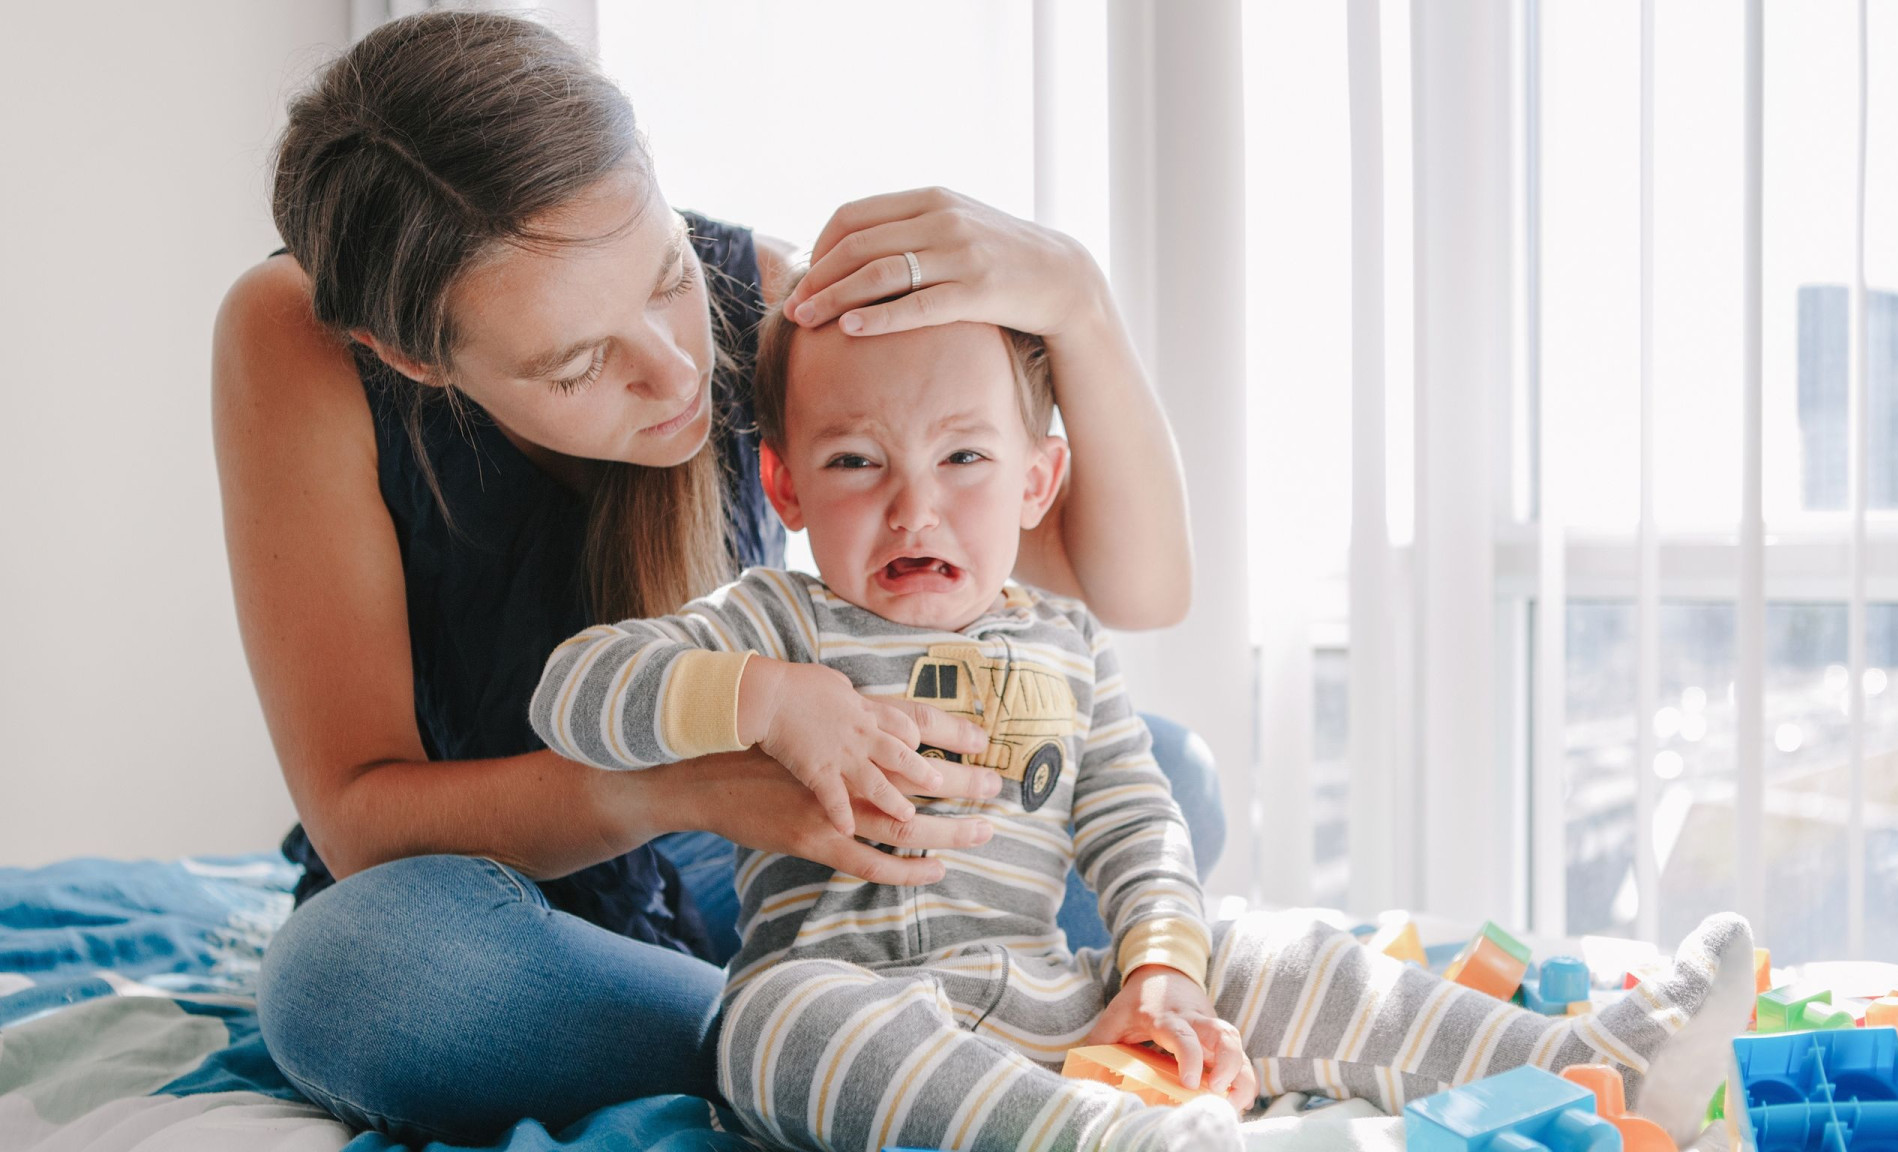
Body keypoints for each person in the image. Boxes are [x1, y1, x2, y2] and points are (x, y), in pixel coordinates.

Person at [219, 10, 1217, 1146]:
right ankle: (830, 1038)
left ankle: (860, 1039)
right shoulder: (295, 338)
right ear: (411, 358)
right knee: (359, 977)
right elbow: (357, 816)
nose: (679, 368)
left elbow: (1132, 586)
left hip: (739, 870)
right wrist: (688, 783)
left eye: (664, 275)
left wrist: (1077, 302)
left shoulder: (777, 301)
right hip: (513, 887)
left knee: (1168, 776)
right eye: (579, 363)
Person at [529, 292, 1758, 1152]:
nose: (914, 508)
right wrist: (762, 699)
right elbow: (573, 694)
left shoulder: (1063, 640)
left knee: (1267, 947)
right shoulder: (771, 620)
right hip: (855, 1005)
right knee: (767, 1023)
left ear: (1036, 480)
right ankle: (1094, 1139)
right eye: (856, 463)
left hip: (1046, 993)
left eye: (963, 457)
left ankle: (1591, 1057)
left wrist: (1164, 971)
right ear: (784, 484)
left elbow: (1134, 819)